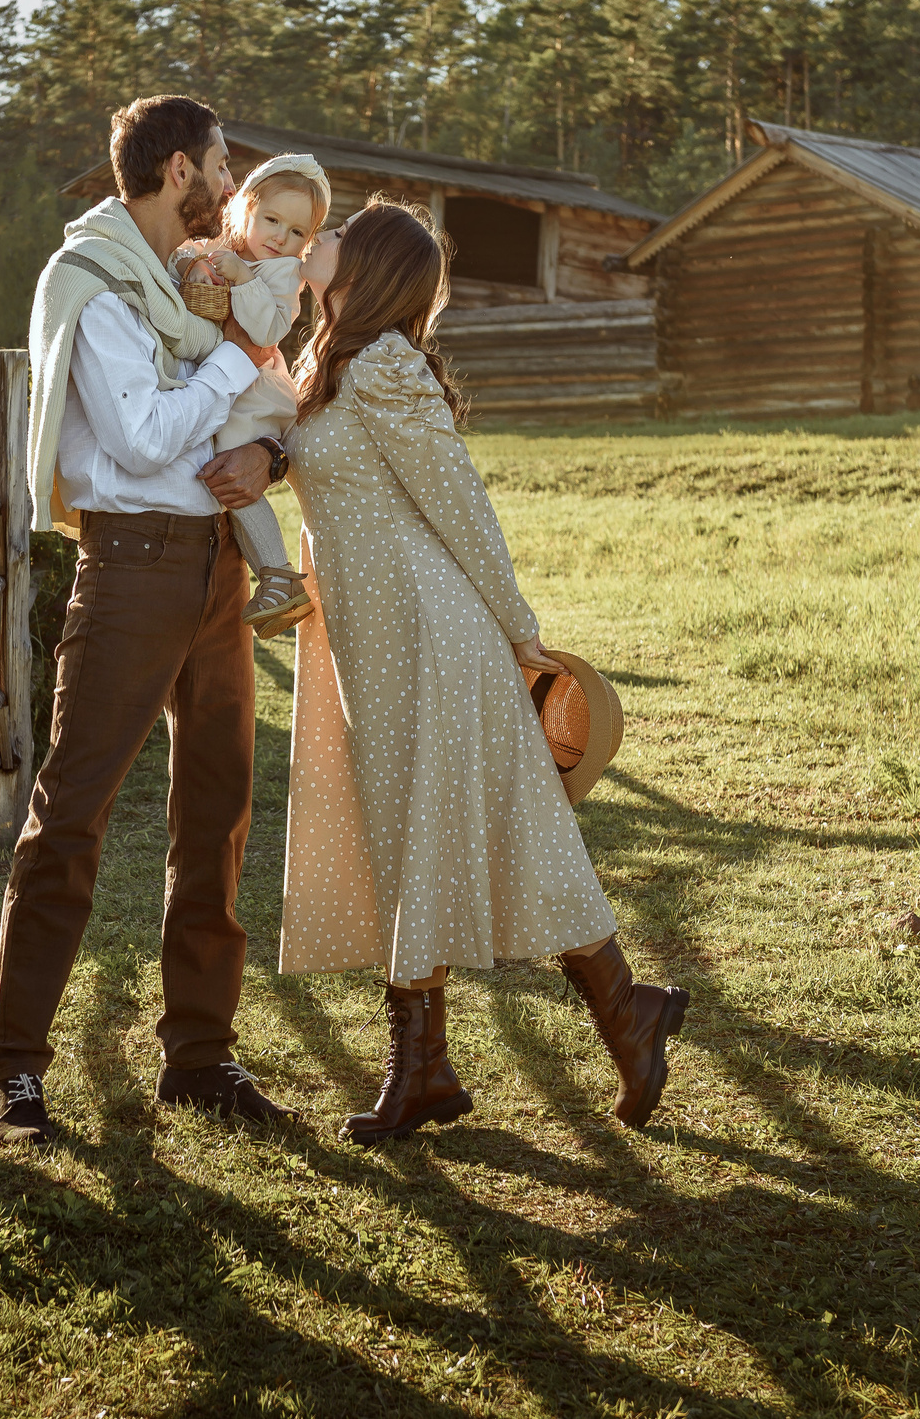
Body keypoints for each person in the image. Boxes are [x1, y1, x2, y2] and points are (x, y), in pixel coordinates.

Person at [276, 199, 686, 1144]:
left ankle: (606, 1018)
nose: (315, 239)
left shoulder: (383, 365)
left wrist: (518, 626)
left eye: (334, 235)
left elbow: (459, 500)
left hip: (430, 634)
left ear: (367, 269)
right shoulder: (326, 361)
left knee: (498, 832)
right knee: (414, 835)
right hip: (375, 641)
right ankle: (450, 1062)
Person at [0, 94, 296, 1150]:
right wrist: (235, 355)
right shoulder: (96, 284)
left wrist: (268, 453)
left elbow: (251, 414)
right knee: (73, 811)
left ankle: (199, 1056)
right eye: (221, 163)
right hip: (132, 567)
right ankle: (17, 1068)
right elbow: (148, 434)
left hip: (216, 565)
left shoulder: (193, 284)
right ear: (178, 172)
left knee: (218, 814)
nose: (232, 185)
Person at [171, 153, 331, 638]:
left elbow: (267, 329)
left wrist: (242, 280)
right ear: (247, 209)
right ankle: (275, 577)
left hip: (255, 392)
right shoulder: (224, 246)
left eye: (297, 232)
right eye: (272, 220)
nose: (280, 238)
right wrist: (196, 265)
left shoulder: (282, 273)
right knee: (221, 476)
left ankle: (278, 575)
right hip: (230, 383)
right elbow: (179, 254)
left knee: (231, 475)